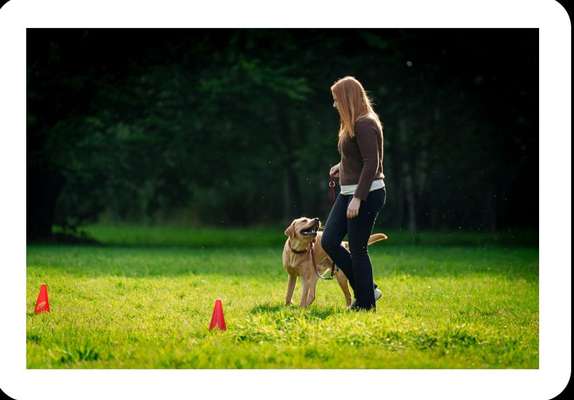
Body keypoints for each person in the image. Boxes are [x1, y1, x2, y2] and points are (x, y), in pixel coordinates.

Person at [321, 76, 386, 311]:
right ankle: (368, 290)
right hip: (348, 192)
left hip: (367, 194)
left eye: (337, 100)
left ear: (347, 99)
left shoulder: (365, 123)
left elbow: (372, 163)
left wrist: (358, 198)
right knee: (329, 240)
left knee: (357, 249)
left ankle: (366, 303)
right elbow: (357, 156)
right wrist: (342, 166)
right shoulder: (353, 123)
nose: (334, 104)